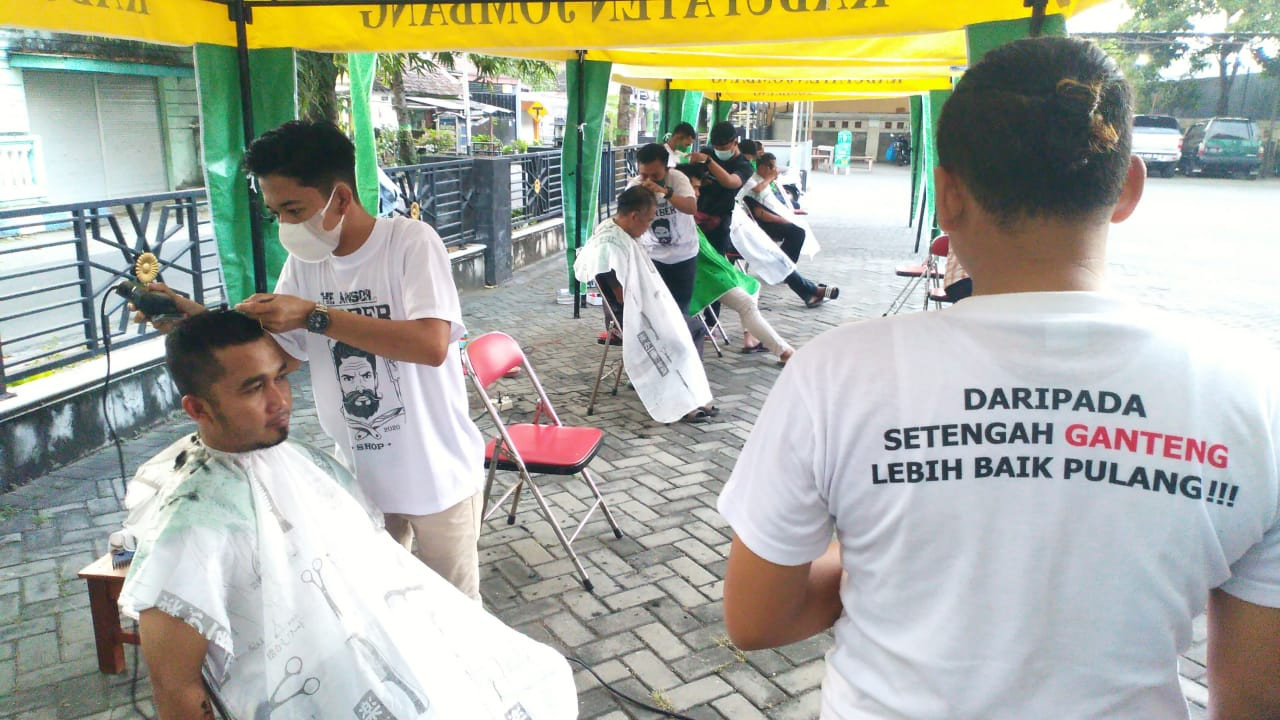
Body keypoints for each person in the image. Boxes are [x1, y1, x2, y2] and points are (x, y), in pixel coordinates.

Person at [718, 36, 1280, 720]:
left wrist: (871, 556)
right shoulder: (1255, 392)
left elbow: (756, 618)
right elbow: (1254, 699)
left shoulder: (833, 374)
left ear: (947, 197)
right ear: (1129, 186)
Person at [119, 310, 575, 720]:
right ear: (197, 409)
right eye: (254, 387)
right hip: (299, 694)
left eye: (280, 377)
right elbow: (174, 684)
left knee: (527, 676)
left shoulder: (297, 459)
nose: (279, 400)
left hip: (369, 659)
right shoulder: (190, 525)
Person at [144, 120, 486, 601]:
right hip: (362, 476)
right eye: (275, 212)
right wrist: (195, 318)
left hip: (439, 477)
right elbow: (282, 354)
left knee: (455, 618)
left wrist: (315, 316)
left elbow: (431, 345)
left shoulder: (409, 243)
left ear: (340, 199)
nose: (285, 223)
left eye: (293, 209)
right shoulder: (305, 264)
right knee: (383, 609)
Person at [574, 186, 716, 424]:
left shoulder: (618, 231)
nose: (649, 227)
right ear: (633, 216)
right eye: (649, 220)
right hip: (632, 315)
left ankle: (694, 396)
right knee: (684, 337)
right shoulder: (610, 243)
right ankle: (683, 402)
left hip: (644, 307)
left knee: (689, 328)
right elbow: (622, 296)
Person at [677, 163, 795, 363]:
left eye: (698, 188)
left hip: (710, 268)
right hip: (701, 274)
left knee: (752, 287)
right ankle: (784, 352)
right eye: (693, 187)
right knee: (747, 304)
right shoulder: (677, 212)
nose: (697, 193)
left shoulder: (686, 210)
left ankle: (753, 337)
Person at [743, 153, 839, 308]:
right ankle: (811, 290)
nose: (774, 170)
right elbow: (759, 211)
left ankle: (810, 290)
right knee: (780, 255)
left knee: (781, 256)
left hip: (744, 228)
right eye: (771, 166)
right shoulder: (751, 183)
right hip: (753, 229)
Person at [627, 143, 701, 317]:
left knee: (680, 309)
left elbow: (691, 208)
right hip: (653, 255)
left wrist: (666, 193)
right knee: (655, 309)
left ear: (667, 169)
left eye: (656, 175)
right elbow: (626, 219)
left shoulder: (678, 179)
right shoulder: (636, 186)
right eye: (644, 174)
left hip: (684, 254)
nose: (649, 180)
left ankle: (680, 341)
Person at [694, 121, 755, 258]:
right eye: (717, 148)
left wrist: (710, 162)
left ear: (735, 142)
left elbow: (731, 182)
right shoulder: (707, 153)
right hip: (697, 215)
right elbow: (694, 176)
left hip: (720, 220)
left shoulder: (744, 166)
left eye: (723, 148)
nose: (720, 151)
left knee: (716, 260)